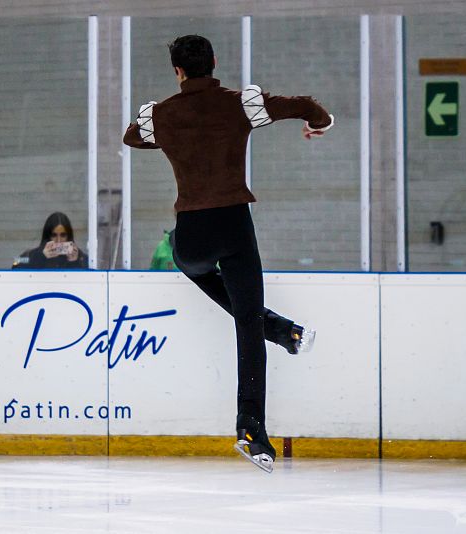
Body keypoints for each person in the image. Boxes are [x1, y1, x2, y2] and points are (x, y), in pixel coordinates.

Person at [123, 35, 332, 472]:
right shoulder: (241, 104)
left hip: (193, 232)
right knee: (248, 327)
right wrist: (319, 123)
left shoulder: (161, 114)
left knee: (187, 262)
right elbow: (309, 106)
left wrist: (173, 134)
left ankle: (284, 332)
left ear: (177, 70)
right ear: (213, 63)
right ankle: (253, 428)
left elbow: (131, 138)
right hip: (236, 226)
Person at [12, 212, 88, 269]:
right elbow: (15, 264)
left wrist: (74, 262)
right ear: (47, 236)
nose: (58, 241)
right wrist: (40, 257)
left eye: (63, 235)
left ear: (69, 236)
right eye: (54, 235)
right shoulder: (32, 254)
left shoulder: (80, 257)